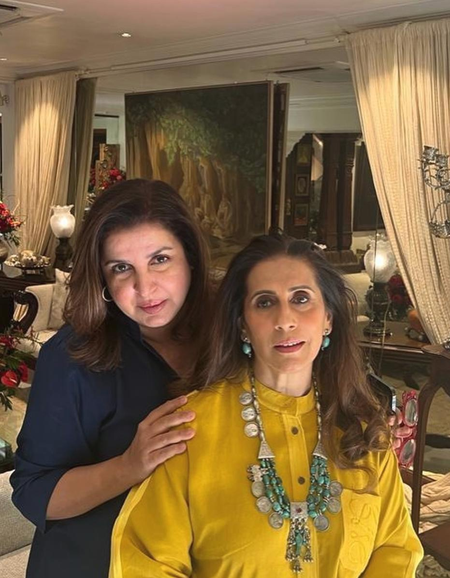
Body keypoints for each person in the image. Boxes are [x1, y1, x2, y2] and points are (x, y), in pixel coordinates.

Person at [110, 234, 423, 578]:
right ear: (242, 325)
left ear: (329, 318)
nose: (285, 320)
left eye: (301, 298)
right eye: (264, 303)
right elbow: (146, 563)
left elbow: (395, 547)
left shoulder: (363, 430)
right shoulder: (188, 430)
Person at [11, 179, 212, 578]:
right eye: (121, 268)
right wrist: (127, 466)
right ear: (102, 278)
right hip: (92, 564)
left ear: (190, 257)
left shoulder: (231, 333)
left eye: (160, 259)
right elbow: (35, 492)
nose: (145, 288)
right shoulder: (72, 357)